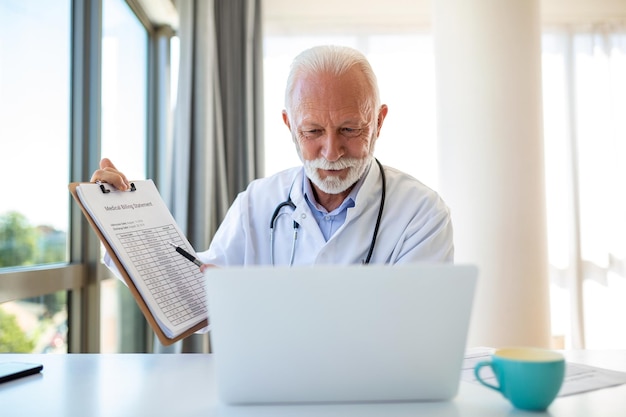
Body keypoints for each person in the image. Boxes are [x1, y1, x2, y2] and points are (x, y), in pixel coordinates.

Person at [91, 45, 454, 267]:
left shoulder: (420, 213)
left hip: (374, 392)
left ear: (378, 121)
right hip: (269, 387)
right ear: (288, 124)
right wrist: (123, 224)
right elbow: (199, 295)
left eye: (349, 129)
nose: (331, 151)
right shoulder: (257, 203)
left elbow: (416, 331)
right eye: (312, 132)